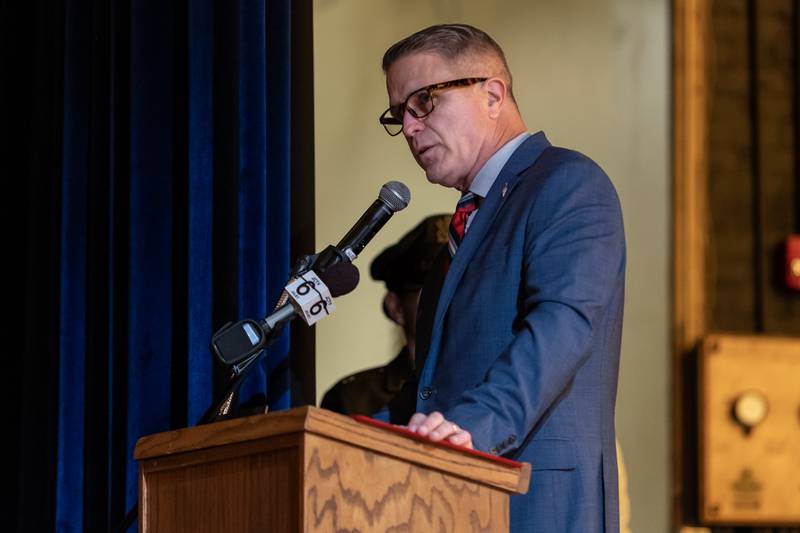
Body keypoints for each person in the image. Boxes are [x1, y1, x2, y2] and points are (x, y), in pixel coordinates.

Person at [378, 24, 626, 532]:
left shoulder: (568, 183)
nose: (409, 127)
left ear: (492, 94)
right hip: (452, 501)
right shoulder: (466, 225)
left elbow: (561, 329)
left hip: (536, 499)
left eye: (423, 102)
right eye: (398, 113)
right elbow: (433, 388)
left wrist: (468, 429)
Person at [321, 214, 451, 423]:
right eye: (430, 292)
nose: (447, 302)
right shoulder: (354, 399)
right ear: (397, 307)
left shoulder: (491, 390)